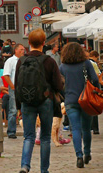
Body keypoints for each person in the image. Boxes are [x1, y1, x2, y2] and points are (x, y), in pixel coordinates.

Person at [16, 29, 63, 173]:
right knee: (45, 137)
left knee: (28, 137)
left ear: (29, 43)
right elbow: (58, 85)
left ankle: (25, 165)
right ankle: (44, 170)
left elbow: (17, 85)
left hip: (27, 102)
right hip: (46, 101)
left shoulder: (22, 61)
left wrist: (19, 107)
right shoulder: (49, 61)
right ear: (44, 43)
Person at [59, 42, 100, 168]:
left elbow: (59, 84)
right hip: (86, 100)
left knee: (75, 129)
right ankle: (87, 153)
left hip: (70, 101)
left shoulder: (62, 67)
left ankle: (79, 156)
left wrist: (64, 94)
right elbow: (95, 80)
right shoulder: (86, 63)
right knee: (86, 129)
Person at [2, 43, 25, 139]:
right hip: (14, 87)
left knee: (25, 109)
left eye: (23, 49)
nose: (23, 51)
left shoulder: (24, 60)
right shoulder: (10, 61)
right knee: (13, 109)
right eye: (21, 49)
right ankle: (11, 131)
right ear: (16, 50)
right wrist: (12, 86)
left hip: (24, 88)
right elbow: (6, 75)